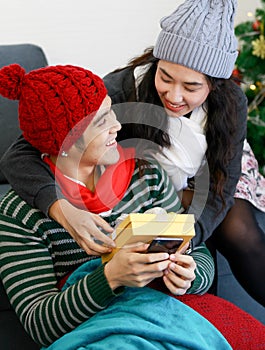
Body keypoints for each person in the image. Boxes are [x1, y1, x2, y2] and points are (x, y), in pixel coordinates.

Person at [1, 0, 265, 307]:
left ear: (214, 86)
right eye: (165, 77)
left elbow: (222, 184)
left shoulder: (231, 102)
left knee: (236, 229)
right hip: (158, 175)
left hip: (213, 168)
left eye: (191, 87)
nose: (175, 95)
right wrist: (62, 208)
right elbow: (21, 152)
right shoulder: (122, 89)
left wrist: (187, 243)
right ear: (156, 62)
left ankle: (204, 308)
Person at [0, 63, 217, 348]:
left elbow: (197, 251)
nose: (117, 125)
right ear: (67, 141)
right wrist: (110, 277)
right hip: (101, 334)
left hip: (172, 317)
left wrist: (190, 276)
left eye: (111, 110)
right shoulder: (18, 213)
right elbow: (41, 325)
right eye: (102, 121)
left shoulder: (146, 176)